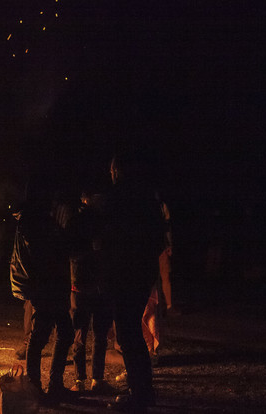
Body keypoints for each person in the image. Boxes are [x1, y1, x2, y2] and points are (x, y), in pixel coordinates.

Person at [103, 151, 162, 413]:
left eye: (113, 171)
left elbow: (108, 238)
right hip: (141, 274)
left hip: (124, 275)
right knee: (132, 334)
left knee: (127, 334)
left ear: (117, 172)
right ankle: (143, 391)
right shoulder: (147, 198)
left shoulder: (119, 198)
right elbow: (159, 240)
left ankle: (139, 394)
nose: (111, 175)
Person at [9, 179, 74, 403]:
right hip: (46, 286)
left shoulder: (39, 219)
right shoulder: (32, 221)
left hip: (52, 285)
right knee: (40, 338)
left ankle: (54, 385)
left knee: (64, 333)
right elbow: (40, 256)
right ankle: (36, 388)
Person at [67, 189, 115, 394]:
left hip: (99, 286)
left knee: (98, 335)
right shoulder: (79, 222)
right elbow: (69, 252)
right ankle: (81, 380)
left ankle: (95, 379)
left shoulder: (106, 222)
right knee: (82, 333)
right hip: (84, 286)